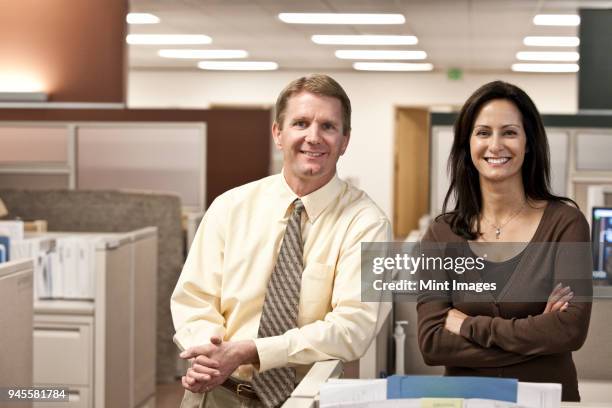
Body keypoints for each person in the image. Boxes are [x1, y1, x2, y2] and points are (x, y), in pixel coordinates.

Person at [171, 74, 391, 408]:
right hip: (215, 394)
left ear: (345, 140)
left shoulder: (370, 224)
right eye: (301, 123)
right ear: (278, 133)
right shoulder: (229, 206)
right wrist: (210, 354)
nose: (313, 137)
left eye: (328, 127)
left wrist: (252, 351)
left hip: (304, 399)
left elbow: (354, 327)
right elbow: (194, 298)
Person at [417, 80, 592, 401]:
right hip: (466, 400)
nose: (495, 145)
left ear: (528, 143)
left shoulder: (566, 223)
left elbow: (570, 330)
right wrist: (538, 335)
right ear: (467, 146)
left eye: (509, 132)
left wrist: (468, 326)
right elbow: (432, 343)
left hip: (548, 400)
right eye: (483, 132)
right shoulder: (441, 234)